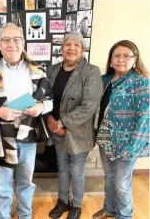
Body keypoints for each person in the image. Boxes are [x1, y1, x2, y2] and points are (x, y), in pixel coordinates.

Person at [0, 22, 53, 219]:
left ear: (23, 43)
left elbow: (49, 100)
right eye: (6, 40)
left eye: (16, 39)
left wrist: (40, 107)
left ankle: (25, 216)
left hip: (27, 136)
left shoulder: (37, 70)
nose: (11, 44)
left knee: (25, 183)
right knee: (2, 186)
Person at [47, 32, 103, 219]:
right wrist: (52, 122)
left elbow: (90, 105)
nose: (71, 48)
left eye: (76, 45)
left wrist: (63, 122)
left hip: (78, 132)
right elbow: (46, 98)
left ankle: (76, 205)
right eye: (67, 45)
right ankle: (63, 201)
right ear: (61, 49)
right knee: (62, 168)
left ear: (82, 49)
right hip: (56, 129)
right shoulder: (52, 70)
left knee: (76, 171)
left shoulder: (91, 71)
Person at [92, 40, 149, 219]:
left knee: (122, 183)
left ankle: (124, 216)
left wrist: (133, 147)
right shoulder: (105, 80)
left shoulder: (140, 82)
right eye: (116, 55)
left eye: (126, 56)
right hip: (105, 139)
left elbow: (145, 117)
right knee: (109, 178)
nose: (121, 59)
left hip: (127, 143)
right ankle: (109, 209)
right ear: (110, 60)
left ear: (135, 59)